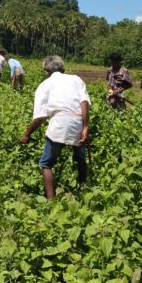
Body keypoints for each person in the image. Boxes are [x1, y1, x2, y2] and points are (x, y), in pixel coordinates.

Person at [20, 55, 90, 199]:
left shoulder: (44, 85)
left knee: (46, 164)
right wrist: (85, 127)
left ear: (47, 71)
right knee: (80, 158)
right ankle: (84, 190)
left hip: (59, 123)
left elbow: (40, 116)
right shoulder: (76, 79)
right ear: (62, 69)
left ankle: (51, 202)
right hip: (78, 120)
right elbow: (84, 102)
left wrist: (26, 134)